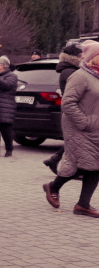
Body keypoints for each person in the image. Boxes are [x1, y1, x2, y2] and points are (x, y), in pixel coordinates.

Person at [42, 40, 99, 217]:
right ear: (93, 58)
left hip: (95, 128)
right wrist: (84, 122)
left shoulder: (97, 76)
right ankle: (56, 188)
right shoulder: (80, 76)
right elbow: (68, 103)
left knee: (93, 165)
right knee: (85, 164)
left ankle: (81, 203)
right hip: (79, 127)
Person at [43, 44, 84, 174]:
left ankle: (54, 160)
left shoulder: (69, 69)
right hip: (74, 110)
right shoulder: (70, 71)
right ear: (75, 56)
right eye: (80, 54)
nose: (83, 56)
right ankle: (71, 169)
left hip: (73, 109)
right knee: (76, 141)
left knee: (75, 140)